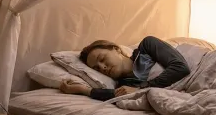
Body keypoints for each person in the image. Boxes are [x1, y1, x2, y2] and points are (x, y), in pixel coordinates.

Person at [60, 36, 190, 101]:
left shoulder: (147, 46)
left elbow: (181, 67)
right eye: (97, 68)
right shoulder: (125, 85)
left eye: (102, 59)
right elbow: (115, 96)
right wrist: (82, 89)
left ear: (116, 49)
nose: (102, 67)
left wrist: (142, 88)